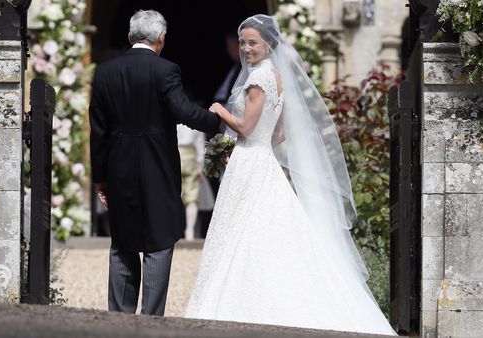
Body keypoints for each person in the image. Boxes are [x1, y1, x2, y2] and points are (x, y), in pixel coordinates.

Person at [184, 15, 397, 336]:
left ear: (269, 44)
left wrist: (219, 110)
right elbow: (280, 133)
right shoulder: (278, 77)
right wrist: (255, 143)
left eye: (252, 42)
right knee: (263, 228)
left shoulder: (258, 79)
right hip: (262, 158)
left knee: (241, 227)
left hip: (250, 162)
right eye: (242, 42)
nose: (245, 48)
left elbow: (246, 126)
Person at [89, 9, 221, 316]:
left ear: (129, 37)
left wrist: (101, 177)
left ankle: (119, 318)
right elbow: (185, 111)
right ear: (160, 39)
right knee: (159, 239)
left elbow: (98, 130)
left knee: (123, 242)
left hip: (119, 168)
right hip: (158, 167)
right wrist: (218, 122)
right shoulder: (166, 70)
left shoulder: (105, 72)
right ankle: (150, 320)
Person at [176, 124, 205, 240]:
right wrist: (200, 168)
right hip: (190, 159)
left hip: (176, 156)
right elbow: (200, 146)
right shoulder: (194, 121)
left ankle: (178, 230)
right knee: (192, 197)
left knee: (173, 195)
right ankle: (189, 230)